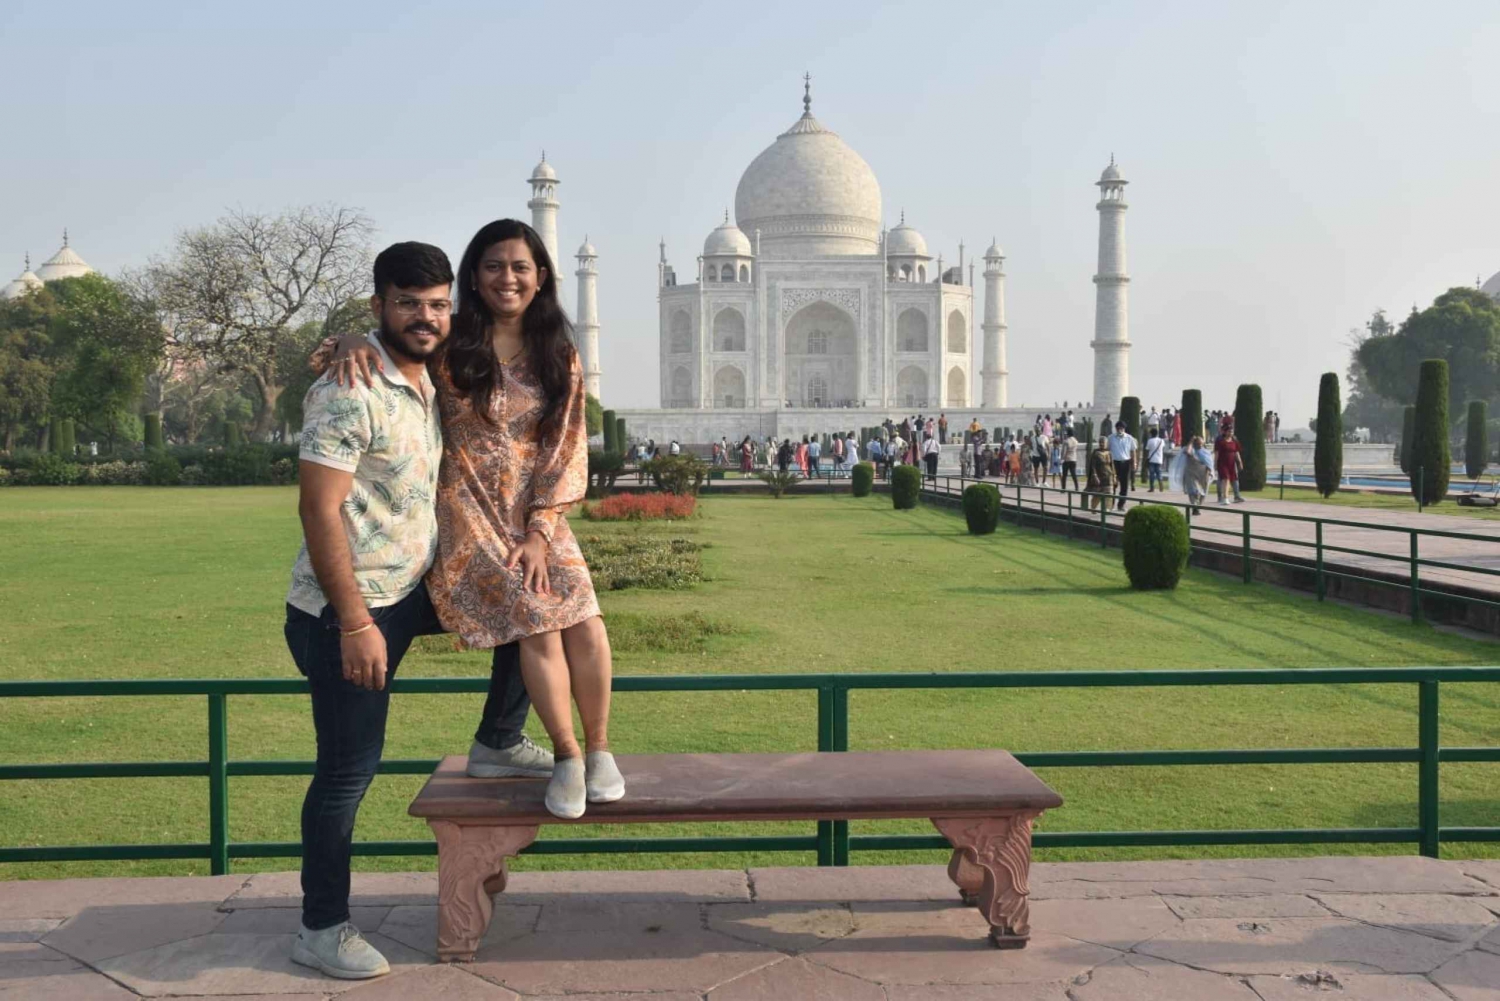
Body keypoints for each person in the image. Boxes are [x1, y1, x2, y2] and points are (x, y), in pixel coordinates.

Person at [288, 243, 552, 980]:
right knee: (348, 770)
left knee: (532, 599)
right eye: (408, 304)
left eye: (438, 304)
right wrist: (353, 623)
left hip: (413, 588)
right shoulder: (351, 388)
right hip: (348, 607)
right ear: (379, 305)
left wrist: (347, 338)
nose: (426, 317)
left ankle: (499, 739)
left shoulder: (432, 370)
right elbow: (318, 509)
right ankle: (320, 925)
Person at [323, 220, 625, 827]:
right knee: (537, 617)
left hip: (535, 514)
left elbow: (566, 448)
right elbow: (391, 339)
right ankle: (563, 755)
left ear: (542, 277)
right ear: (473, 276)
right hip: (465, 510)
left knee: (587, 623)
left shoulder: (556, 353)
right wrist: (350, 334)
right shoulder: (450, 340)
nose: (507, 278)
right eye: (493, 266)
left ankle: (597, 749)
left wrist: (541, 530)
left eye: (520, 266)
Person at [1171, 434, 1214, 512]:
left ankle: (1198, 506)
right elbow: (1188, 452)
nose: (1200, 445)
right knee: (1193, 491)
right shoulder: (1191, 450)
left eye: (1201, 444)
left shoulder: (1206, 452)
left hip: (1203, 474)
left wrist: (1208, 473)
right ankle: (1194, 505)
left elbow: (1209, 464)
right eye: (1198, 444)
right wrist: (1191, 441)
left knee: (1203, 492)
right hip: (1191, 473)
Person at [1108, 421, 1138, 511]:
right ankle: (1110, 504)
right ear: (1116, 428)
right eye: (1118, 428)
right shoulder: (1111, 438)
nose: (1119, 430)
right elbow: (1107, 450)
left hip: (1125, 462)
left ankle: (1121, 505)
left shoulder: (1129, 438)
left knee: (1124, 485)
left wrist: (1134, 463)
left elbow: (1133, 451)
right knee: (1113, 484)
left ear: (1124, 429)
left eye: (1121, 428)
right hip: (1114, 463)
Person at [1214, 418, 1245, 504]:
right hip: (1222, 463)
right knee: (1225, 479)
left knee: (1234, 479)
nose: (1231, 433)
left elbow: (1236, 452)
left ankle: (1236, 496)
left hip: (1232, 464)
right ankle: (1223, 497)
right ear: (1224, 431)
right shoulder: (1220, 441)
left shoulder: (1234, 440)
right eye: (1229, 431)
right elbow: (1217, 453)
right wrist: (1215, 463)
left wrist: (1240, 462)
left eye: (1232, 431)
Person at [1086, 435, 1116, 511]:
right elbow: (1093, 466)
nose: (1102, 444)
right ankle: (1093, 507)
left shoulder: (1109, 453)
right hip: (1099, 476)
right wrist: (1095, 475)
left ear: (1106, 443)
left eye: (1103, 442)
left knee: (1109, 493)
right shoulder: (1096, 453)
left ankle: (1107, 508)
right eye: (1101, 442)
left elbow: (1112, 465)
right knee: (1098, 493)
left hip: (1108, 476)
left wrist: (1114, 476)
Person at [1144, 427, 1166, 493]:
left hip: (1151, 459)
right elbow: (1163, 447)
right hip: (1159, 459)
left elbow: (1147, 450)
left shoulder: (1150, 441)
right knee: (1159, 473)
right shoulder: (1161, 441)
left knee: (1152, 474)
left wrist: (1146, 458)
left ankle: (1152, 488)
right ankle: (1160, 483)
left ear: (1151, 434)